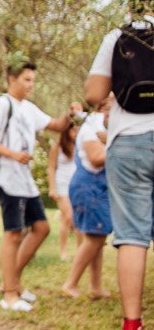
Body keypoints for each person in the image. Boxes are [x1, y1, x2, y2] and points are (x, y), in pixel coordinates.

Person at [0, 61, 76, 312]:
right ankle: (9, 294)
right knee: (13, 233)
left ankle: (12, 282)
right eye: (27, 79)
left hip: (25, 181)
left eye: (33, 80)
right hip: (7, 179)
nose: (32, 84)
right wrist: (12, 154)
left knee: (41, 228)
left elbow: (57, 125)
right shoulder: (2, 104)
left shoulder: (29, 108)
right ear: (12, 79)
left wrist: (70, 114)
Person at [85, 0, 154, 330]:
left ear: (131, 5)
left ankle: (132, 322)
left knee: (132, 235)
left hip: (128, 141)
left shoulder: (117, 37)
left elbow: (95, 91)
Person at [62, 96, 113, 300]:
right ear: (103, 105)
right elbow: (97, 159)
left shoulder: (97, 123)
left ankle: (95, 286)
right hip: (90, 186)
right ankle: (70, 283)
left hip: (95, 187)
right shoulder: (93, 125)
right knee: (94, 238)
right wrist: (117, 145)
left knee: (97, 236)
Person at [47, 110, 83, 261]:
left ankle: (81, 252)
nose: (75, 132)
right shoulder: (58, 146)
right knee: (67, 217)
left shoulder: (82, 145)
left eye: (77, 129)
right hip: (62, 185)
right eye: (73, 129)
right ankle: (63, 252)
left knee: (79, 219)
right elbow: (51, 167)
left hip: (78, 184)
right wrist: (52, 188)